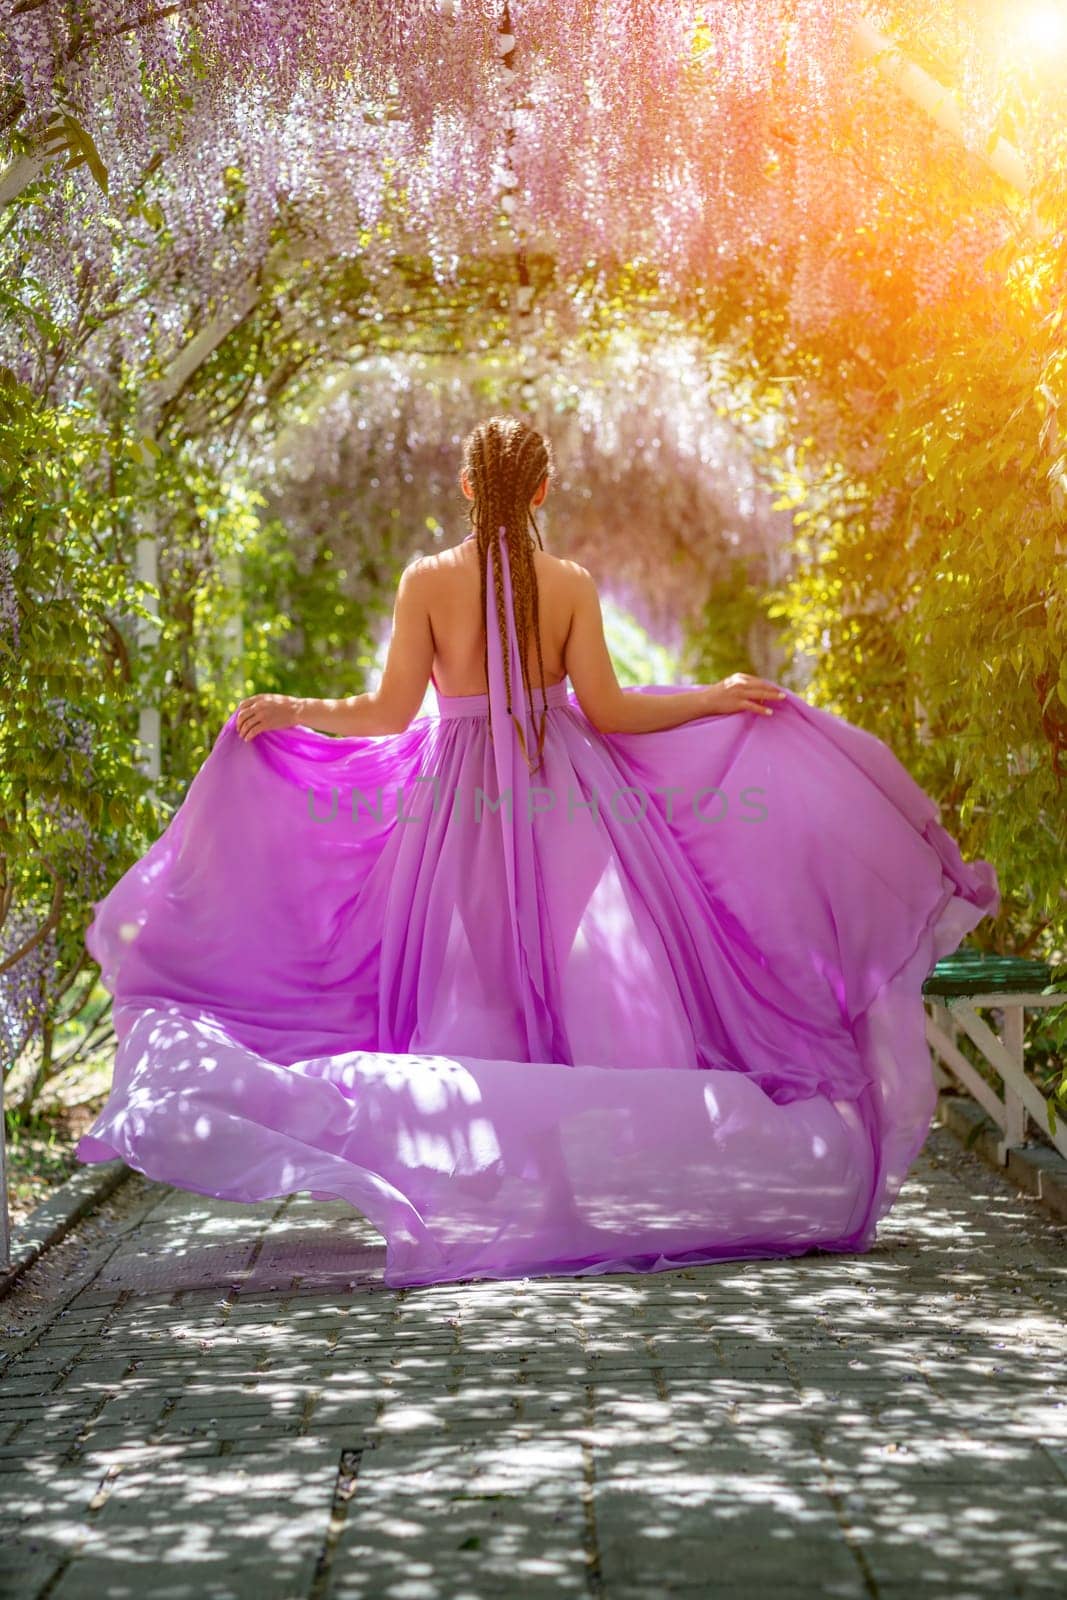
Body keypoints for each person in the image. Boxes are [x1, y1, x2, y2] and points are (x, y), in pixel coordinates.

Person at [74, 415, 999, 1290]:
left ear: (467, 484)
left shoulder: (425, 580)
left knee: (475, 986)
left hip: (455, 806)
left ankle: (491, 1177)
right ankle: (600, 1176)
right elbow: (613, 712)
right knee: (581, 979)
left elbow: (389, 716)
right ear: (543, 487)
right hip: (566, 794)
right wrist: (715, 696)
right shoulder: (571, 583)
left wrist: (296, 712)